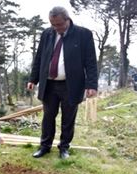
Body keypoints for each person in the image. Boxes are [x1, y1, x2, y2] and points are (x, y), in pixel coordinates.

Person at [27, 6, 98, 160]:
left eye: (59, 24)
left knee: (68, 119)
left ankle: (64, 147)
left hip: (71, 85)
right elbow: (39, 58)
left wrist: (92, 85)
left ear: (67, 20)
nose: (56, 28)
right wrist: (33, 79)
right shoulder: (47, 34)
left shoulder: (83, 35)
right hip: (49, 84)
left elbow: (91, 61)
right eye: (53, 24)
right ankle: (44, 146)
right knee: (48, 117)